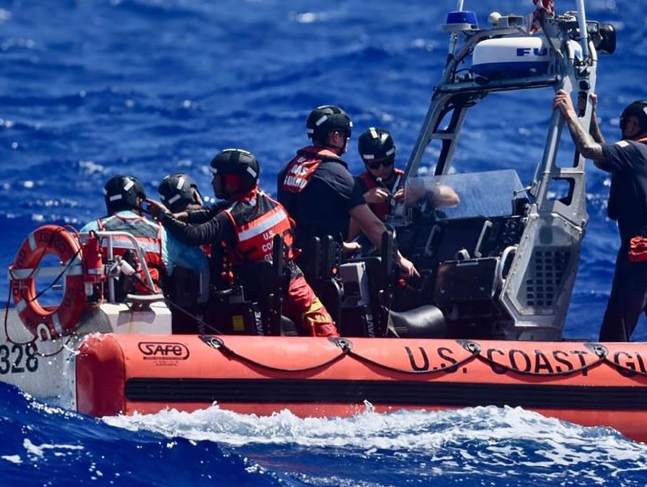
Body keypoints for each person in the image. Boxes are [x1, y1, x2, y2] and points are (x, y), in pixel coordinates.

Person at [147, 149, 338, 337]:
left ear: (232, 182)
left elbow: (193, 235)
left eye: (217, 177)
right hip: (292, 281)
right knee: (326, 328)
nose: (212, 182)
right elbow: (214, 210)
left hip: (269, 290)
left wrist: (164, 216)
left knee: (325, 332)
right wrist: (184, 216)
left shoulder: (232, 218)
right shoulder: (264, 201)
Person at [553, 89, 647, 342]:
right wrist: (592, 120)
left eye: (626, 122)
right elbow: (606, 158)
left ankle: (605, 378)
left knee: (616, 332)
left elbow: (589, 149)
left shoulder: (634, 150)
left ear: (634, 124)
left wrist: (569, 112)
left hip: (643, 252)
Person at [277, 105, 418, 278]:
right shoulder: (337, 174)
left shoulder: (288, 169)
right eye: (345, 136)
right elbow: (373, 226)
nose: (347, 142)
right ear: (335, 137)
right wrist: (400, 260)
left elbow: (303, 222)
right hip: (323, 269)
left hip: (293, 264)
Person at [79, 175, 171, 298]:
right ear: (137, 200)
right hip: (151, 302)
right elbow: (171, 268)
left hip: (105, 303)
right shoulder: (160, 231)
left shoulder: (93, 229)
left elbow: (76, 267)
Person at [353, 127, 459, 222]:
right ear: (365, 163)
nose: (382, 168)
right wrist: (364, 201)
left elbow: (453, 199)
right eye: (374, 165)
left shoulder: (407, 180)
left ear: (394, 157)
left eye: (387, 162)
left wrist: (422, 192)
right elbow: (348, 232)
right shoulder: (356, 187)